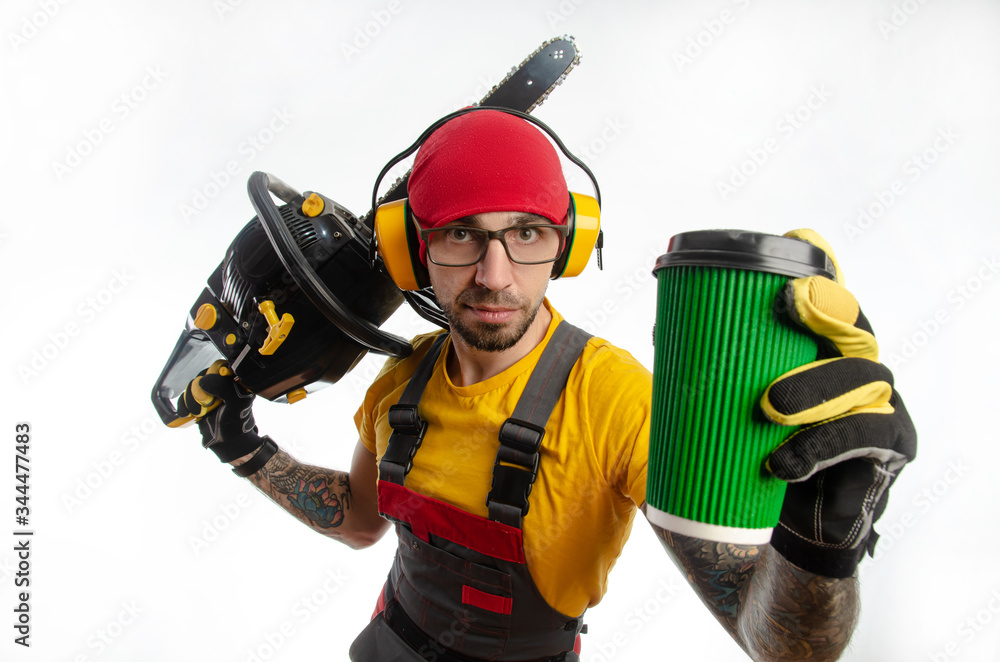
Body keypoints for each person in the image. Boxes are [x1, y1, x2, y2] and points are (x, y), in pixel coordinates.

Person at [178, 109, 917, 661]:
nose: (495, 275)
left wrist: (816, 548)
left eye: (526, 233)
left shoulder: (617, 403)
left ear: (568, 245)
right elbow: (361, 520)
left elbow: (780, 645)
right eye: (461, 234)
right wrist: (243, 448)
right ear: (413, 251)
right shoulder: (398, 384)